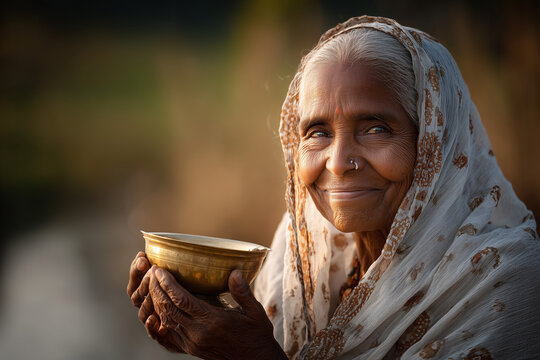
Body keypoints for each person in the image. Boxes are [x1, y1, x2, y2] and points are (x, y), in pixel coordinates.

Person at [126, 16, 540, 359]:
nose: (339, 162)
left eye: (377, 128)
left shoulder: (505, 281)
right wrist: (203, 333)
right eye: (318, 132)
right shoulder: (301, 252)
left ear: (436, 142)